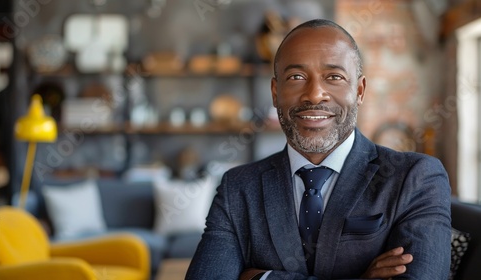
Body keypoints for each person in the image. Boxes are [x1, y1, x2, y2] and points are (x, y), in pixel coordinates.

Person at [185, 19, 451, 280]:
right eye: (296, 76)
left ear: (359, 90)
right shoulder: (238, 188)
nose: (314, 94)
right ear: (276, 92)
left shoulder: (415, 178)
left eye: (334, 76)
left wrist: (261, 277)